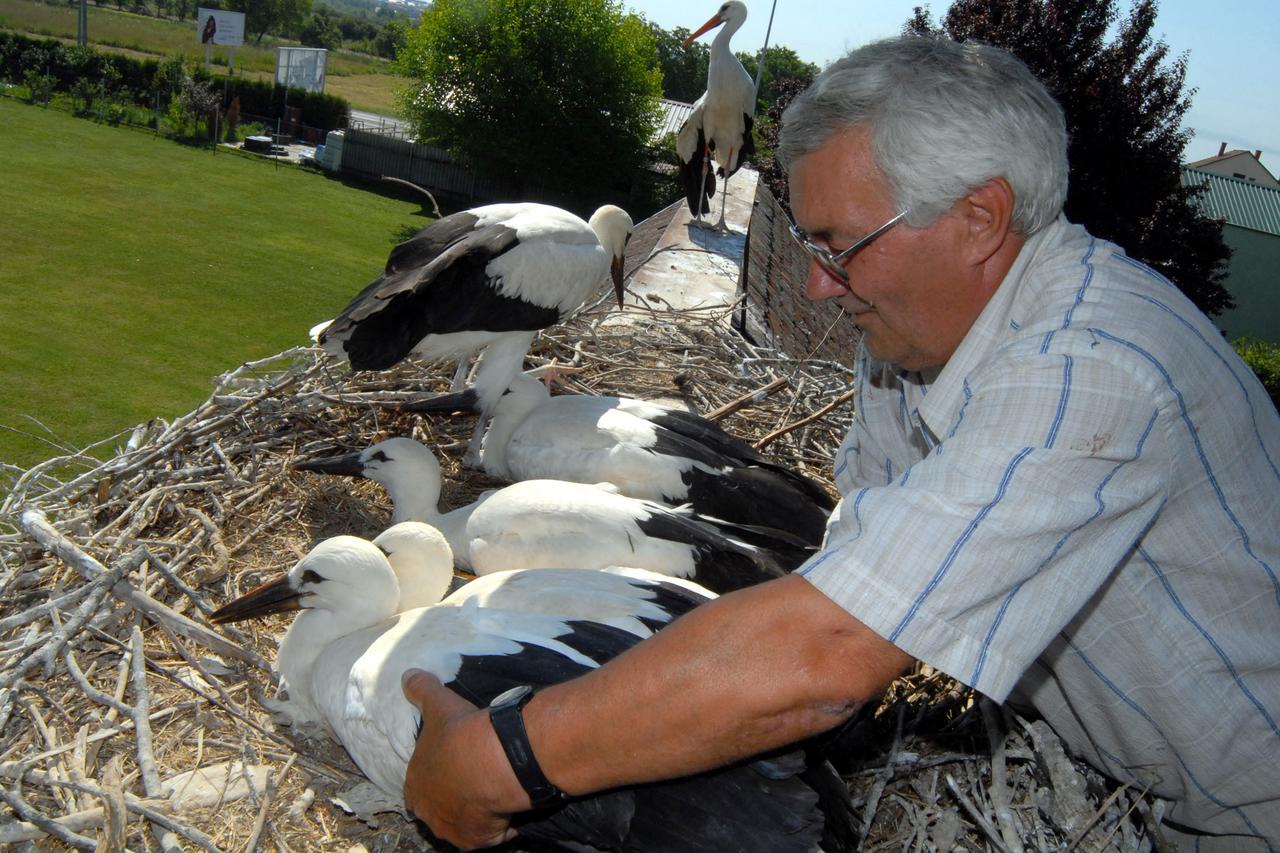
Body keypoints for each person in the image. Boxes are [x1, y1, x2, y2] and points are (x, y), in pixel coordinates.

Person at [400, 35, 1280, 851]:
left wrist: (498, 760)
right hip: (1140, 788)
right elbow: (843, 576)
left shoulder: (1093, 369)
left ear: (980, 218)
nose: (818, 285)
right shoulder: (914, 338)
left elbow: (828, 654)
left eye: (839, 245)